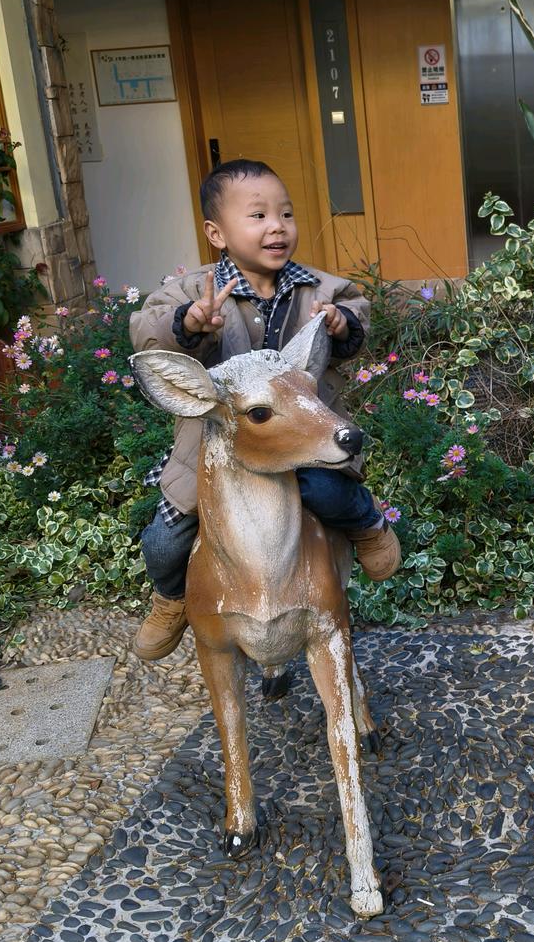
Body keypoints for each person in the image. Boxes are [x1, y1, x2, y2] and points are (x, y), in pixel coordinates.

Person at [129, 158, 401, 661]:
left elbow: (356, 315)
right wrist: (189, 325)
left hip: (298, 442)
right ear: (217, 232)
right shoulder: (193, 291)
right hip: (212, 458)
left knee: (328, 489)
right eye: (257, 216)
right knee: (166, 539)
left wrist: (343, 324)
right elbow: (145, 328)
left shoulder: (320, 288)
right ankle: (171, 598)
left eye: (286, 213)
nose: (277, 226)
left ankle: (369, 526)